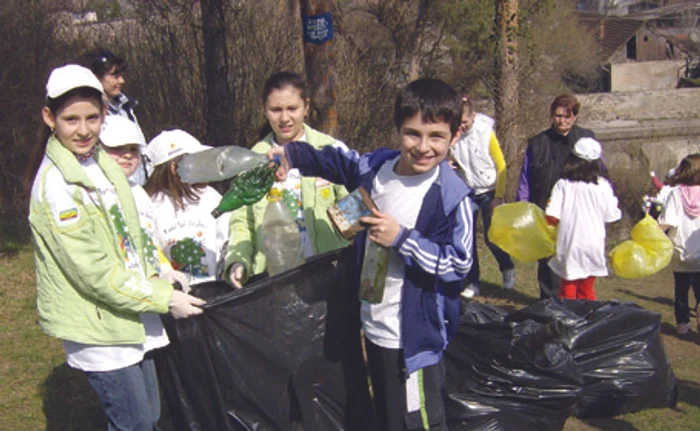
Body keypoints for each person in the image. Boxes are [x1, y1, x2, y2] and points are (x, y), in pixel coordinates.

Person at [269, 78, 473, 431]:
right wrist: (292, 154)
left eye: (436, 136)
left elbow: (458, 263)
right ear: (398, 130)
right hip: (375, 328)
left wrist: (402, 239)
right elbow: (337, 161)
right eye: (412, 134)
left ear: (454, 136)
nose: (423, 146)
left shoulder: (452, 197)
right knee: (389, 417)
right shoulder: (378, 168)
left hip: (414, 342)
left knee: (419, 421)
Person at [26, 64, 204, 430]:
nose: (83, 129)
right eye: (71, 119)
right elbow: (95, 274)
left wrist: (160, 270)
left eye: (92, 117)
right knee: (134, 423)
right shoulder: (57, 187)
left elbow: (130, 232)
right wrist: (164, 298)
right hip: (101, 326)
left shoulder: (101, 163)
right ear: (49, 117)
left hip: (131, 313)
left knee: (149, 416)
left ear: (105, 114)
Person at [224, 71, 349, 287]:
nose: (284, 118)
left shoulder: (329, 150)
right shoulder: (253, 160)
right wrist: (238, 260)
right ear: (264, 110)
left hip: (329, 276)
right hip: (275, 281)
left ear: (306, 107)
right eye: (276, 110)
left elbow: (355, 208)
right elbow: (242, 222)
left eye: (292, 108)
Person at [515, 94, 598, 299]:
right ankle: (549, 301)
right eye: (558, 116)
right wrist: (523, 206)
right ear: (551, 116)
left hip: (579, 210)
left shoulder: (586, 139)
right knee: (548, 259)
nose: (562, 121)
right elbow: (525, 178)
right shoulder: (537, 143)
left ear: (575, 117)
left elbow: (601, 171)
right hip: (545, 208)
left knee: (576, 258)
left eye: (567, 116)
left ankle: (578, 301)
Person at [100, 115, 190, 291]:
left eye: (133, 149)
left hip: (150, 291)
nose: (127, 155)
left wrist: (165, 270)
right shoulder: (94, 192)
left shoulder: (140, 194)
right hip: (119, 287)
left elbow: (150, 240)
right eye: (117, 148)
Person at [144, 129, 231, 286]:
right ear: (174, 167)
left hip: (214, 290)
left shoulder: (209, 196)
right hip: (175, 298)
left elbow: (225, 236)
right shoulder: (149, 204)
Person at [450, 95, 514, 298]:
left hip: (489, 191)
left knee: (491, 237)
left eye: (465, 122)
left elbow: (501, 165)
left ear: (473, 117)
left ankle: (506, 266)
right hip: (467, 191)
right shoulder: (454, 136)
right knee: (466, 239)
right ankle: (473, 281)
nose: (463, 127)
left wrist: (499, 195)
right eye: (459, 123)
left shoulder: (486, 133)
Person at [544, 138, 621, 300]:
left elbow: (551, 216)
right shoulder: (603, 186)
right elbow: (612, 215)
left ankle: (568, 320)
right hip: (594, 244)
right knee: (587, 289)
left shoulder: (563, 185)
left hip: (570, 243)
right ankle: (588, 319)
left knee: (568, 288)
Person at [80, 48, 148, 185]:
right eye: (115, 76)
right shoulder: (90, 115)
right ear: (95, 77)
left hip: (138, 187)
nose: (122, 81)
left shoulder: (126, 107)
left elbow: (141, 150)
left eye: (121, 75)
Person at [658, 154, 700, 335]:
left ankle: (683, 324)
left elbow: (667, 221)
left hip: (680, 251)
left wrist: (650, 234)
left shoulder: (676, 194)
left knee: (681, 292)